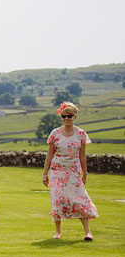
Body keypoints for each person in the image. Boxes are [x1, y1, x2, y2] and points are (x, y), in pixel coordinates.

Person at [42, 101, 97, 240]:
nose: (66, 118)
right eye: (64, 116)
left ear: (74, 117)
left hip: (73, 171)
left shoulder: (81, 134)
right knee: (57, 200)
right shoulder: (55, 133)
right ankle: (58, 232)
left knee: (79, 199)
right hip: (56, 171)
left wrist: (84, 173)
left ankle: (87, 232)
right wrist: (44, 174)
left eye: (69, 116)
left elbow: (82, 156)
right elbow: (49, 155)